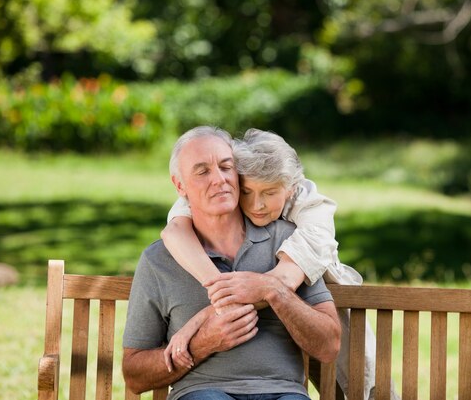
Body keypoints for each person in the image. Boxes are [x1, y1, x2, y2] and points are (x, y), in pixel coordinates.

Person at [161, 128, 397, 400]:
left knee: (362, 386)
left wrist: (195, 324)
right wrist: (221, 297)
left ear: (291, 188)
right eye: (247, 191)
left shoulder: (311, 213)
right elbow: (174, 230)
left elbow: (274, 284)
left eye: (270, 193)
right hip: (273, 349)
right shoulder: (225, 190)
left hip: (315, 313)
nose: (257, 205)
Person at [122, 126, 341, 400]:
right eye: (202, 172)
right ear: (180, 186)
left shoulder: (289, 243)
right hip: (204, 393)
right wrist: (202, 343)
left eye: (226, 167)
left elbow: (329, 345)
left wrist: (274, 291)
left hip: (282, 392)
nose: (219, 179)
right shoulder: (159, 260)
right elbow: (134, 375)